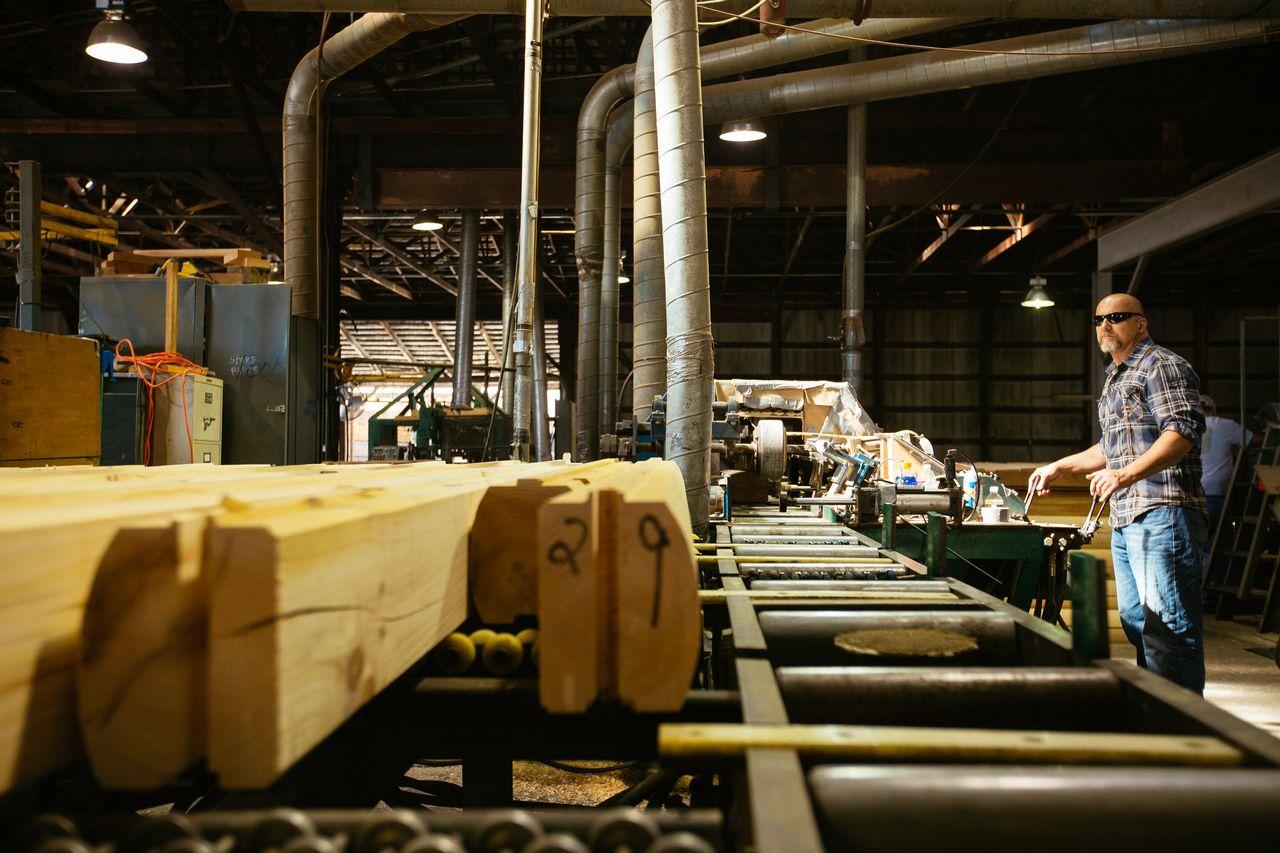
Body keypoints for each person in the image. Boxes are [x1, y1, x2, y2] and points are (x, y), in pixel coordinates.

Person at [1030, 293, 1208, 693]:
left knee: (1170, 627)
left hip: (1165, 511)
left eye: (1117, 317)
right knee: (1137, 621)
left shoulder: (1162, 366)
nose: (1105, 325)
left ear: (1140, 324)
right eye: (1099, 320)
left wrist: (1124, 475)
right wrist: (1061, 466)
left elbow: (1181, 433)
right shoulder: (1117, 376)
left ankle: (1179, 729)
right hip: (1128, 516)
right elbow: (1110, 447)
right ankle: (1154, 705)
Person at [1199, 393, 1254, 530]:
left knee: (1202, 536)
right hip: (1219, 491)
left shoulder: (1191, 427)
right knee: (1221, 535)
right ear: (1213, 409)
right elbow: (1254, 440)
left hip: (1196, 491)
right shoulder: (1226, 425)